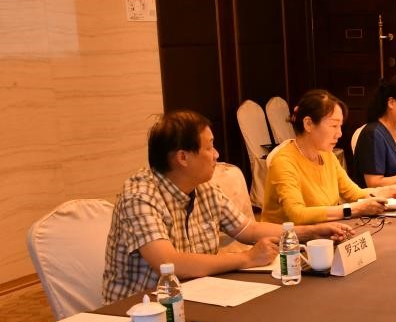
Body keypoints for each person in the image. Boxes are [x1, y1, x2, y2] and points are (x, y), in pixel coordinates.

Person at [103, 110, 350, 303]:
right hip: (139, 313)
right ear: (182, 157)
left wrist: (312, 232)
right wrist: (245, 258)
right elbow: (170, 264)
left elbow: (249, 230)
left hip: (196, 296)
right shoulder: (140, 196)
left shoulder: (204, 188)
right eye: (209, 147)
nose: (217, 154)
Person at [261, 90, 396, 225]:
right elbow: (297, 214)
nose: (339, 134)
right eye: (334, 126)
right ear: (308, 124)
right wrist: (352, 209)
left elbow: (354, 194)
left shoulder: (326, 155)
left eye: (340, 126)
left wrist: (388, 191)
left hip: (323, 234)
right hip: (288, 243)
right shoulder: (284, 161)